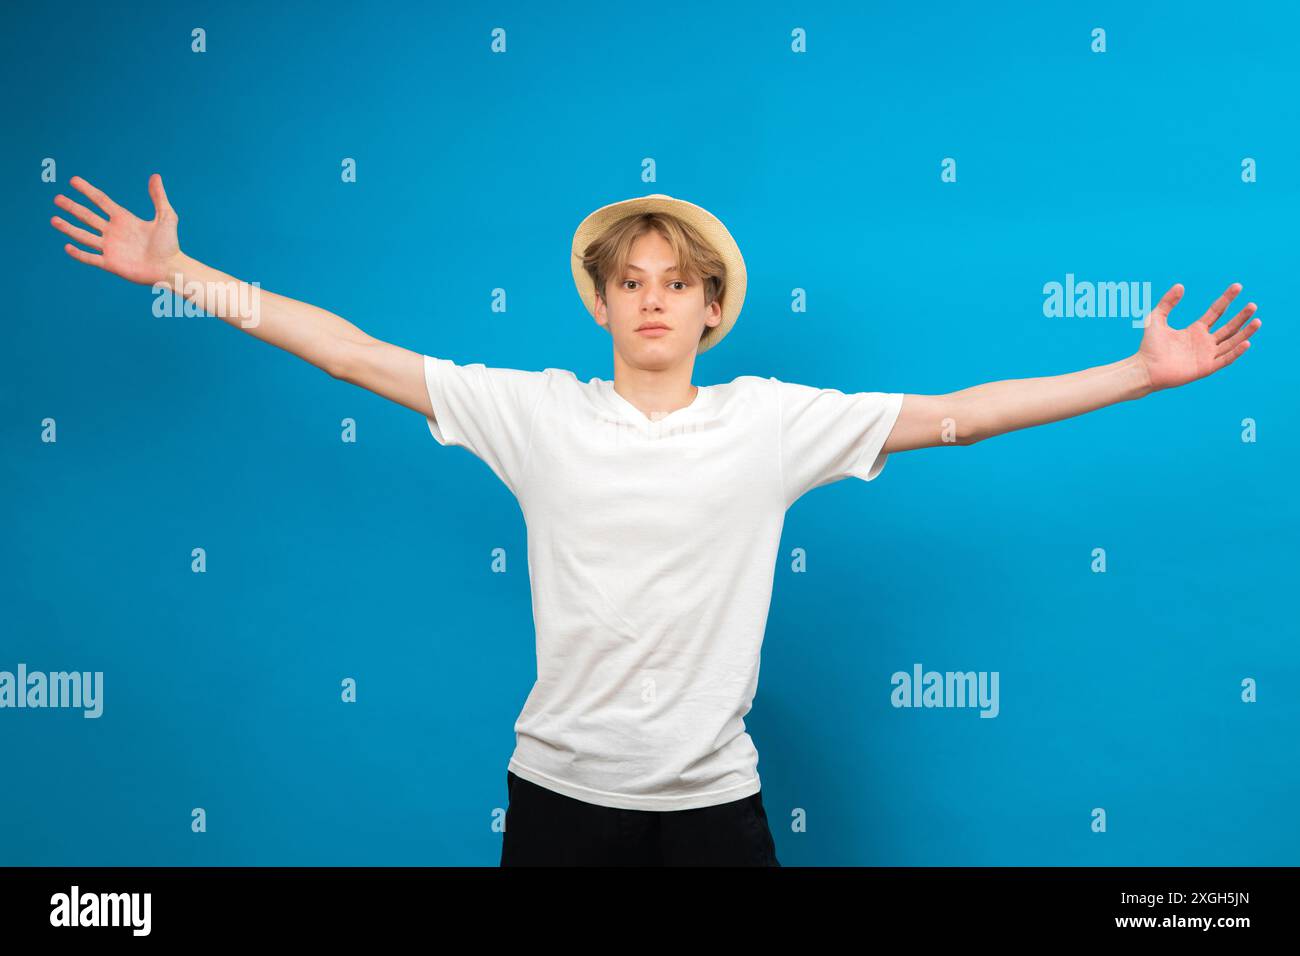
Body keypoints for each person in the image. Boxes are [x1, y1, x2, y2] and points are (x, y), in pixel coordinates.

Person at [50, 178, 1262, 867]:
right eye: (630, 279)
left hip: (712, 810)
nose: (652, 298)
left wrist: (1136, 375)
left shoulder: (771, 421)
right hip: (558, 803)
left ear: (710, 306)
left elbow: (963, 414)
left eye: (675, 281)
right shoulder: (532, 413)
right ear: (602, 299)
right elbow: (352, 352)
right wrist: (180, 272)